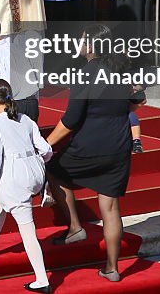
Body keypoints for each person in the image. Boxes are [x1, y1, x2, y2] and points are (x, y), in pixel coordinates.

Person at [45, 25, 144, 284]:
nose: (78, 42)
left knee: (54, 171)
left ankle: (75, 227)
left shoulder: (85, 74)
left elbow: (71, 120)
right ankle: (112, 268)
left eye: (82, 39)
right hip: (119, 146)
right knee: (110, 207)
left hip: (89, 146)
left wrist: (45, 144)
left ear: (90, 45)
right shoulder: (122, 69)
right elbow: (137, 101)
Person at [0, 78, 53, 294]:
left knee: (27, 231)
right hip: (32, 176)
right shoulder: (25, 119)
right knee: (1, 195)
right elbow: (46, 149)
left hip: (16, 182)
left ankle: (42, 279)